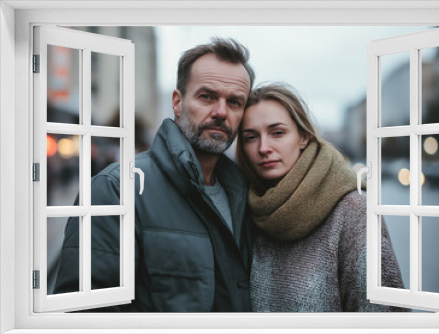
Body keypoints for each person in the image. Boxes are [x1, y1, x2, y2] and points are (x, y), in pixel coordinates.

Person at [54, 38, 256, 312]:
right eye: (207, 96)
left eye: (234, 102)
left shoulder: (246, 196)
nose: (221, 112)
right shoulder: (116, 190)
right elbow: (87, 316)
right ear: (177, 102)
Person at [236, 83, 407, 312]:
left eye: (278, 133)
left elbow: (386, 318)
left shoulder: (353, 210)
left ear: (303, 137)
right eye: (250, 137)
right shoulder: (247, 208)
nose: (263, 147)